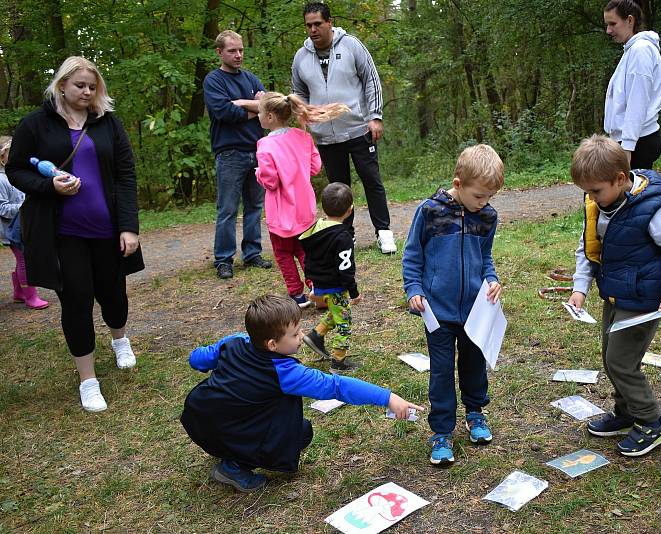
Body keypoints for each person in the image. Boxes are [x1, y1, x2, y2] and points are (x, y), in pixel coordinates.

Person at [6, 56, 144, 412]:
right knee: (76, 299)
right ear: (62, 85)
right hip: (62, 233)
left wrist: (129, 226)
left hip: (106, 228)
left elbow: (126, 175)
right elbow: (17, 170)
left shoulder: (107, 123)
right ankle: (88, 380)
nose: (86, 91)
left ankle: (120, 339)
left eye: (92, 86)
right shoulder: (35, 125)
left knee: (113, 293)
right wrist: (49, 185)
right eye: (79, 85)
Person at [181, 294, 422, 493]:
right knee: (301, 432)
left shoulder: (235, 341)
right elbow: (337, 386)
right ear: (272, 345)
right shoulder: (286, 372)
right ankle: (233, 466)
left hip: (198, 417)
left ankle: (228, 446)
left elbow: (197, 359)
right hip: (224, 428)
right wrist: (388, 398)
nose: (301, 337)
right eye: (295, 334)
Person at [567, 134, 661, 456]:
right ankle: (626, 414)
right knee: (613, 358)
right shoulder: (598, 203)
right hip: (614, 296)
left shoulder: (652, 209)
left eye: (596, 190)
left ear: (620, 179)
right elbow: (588, 249)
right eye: (587, 192)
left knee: (621, 362)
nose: (591, 197)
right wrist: (580, 288)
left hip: (643, 300)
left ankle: (652, 421)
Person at [402, 144, 504, 466]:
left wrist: (491, 279)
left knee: (474, 365)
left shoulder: (487, 216)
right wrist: (414, 288)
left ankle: (476, 413)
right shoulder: (429, 211)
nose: (483, 203)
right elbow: (412, 254)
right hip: (438, 313)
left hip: (475, 312)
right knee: (442, 373)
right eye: (478, 196)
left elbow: (485, 258)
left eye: (489, 197)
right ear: (458, 184)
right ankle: (442, 431)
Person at [291, 2, 397, 254]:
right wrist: (304, 121)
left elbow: (371, 80)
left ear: (329, 22)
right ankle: (344, 236)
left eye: (318, 24)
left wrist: (375, 116)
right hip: (326, 136)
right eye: (308, 25)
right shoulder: (301, 57)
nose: (313, 30)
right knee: (338, 187)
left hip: (359, 129)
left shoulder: (352, 46)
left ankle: (383, 232)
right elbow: (298, 93)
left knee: (372, 181)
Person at [247, 91, 348, 308]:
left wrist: (258, 173)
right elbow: (315, 167)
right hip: (304, 209)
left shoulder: (265, 145)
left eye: (260, 112)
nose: (258, 116)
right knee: (306, 250)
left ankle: (297, 294)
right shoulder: (303, 137)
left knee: (283, 253)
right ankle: (316, 287)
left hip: (281, 211)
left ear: (271, 117)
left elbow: (270, 181)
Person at [204, 30, 272, 279]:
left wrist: (242, 104)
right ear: (219, 52)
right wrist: (254, 106)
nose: (238, 55)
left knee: (255, 206)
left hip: (257, 150)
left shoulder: (251, 78)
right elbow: (224, 113)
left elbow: (268, 110)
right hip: (230, 153)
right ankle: (223, 259)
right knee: (228, 209)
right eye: (232, 50)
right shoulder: (214, 81)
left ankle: (252, 254)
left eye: (241, 50)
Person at [299, 183, 362, 371]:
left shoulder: (316, 228)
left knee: (337, 311)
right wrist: (354, 291)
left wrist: (312, 283)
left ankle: (316, 335)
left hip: (320, 284)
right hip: (335, 286)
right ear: (350, 210)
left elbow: (309, 258)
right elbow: (346, 268)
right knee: (345, 321)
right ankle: (338, 360)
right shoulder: (342, 237)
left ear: (322, 207)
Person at [603, 0, 661, 169]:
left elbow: (638, 101)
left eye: (613, 24)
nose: (608, 30)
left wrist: (627, 147)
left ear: (630, 20)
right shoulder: (632, 50)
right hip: (632, 140)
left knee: (633, 194)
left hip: (637, 142)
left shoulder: (640, 50)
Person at [0, 136, 48, 309]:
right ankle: (30, 296)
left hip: (22, 226)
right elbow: (2, 208)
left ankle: (19, 293)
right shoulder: (1, 180)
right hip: (10, 230)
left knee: (21, 258)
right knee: (25, 260)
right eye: (11, 152)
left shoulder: (15, 176)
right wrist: (23, 206)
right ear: (2, 156)